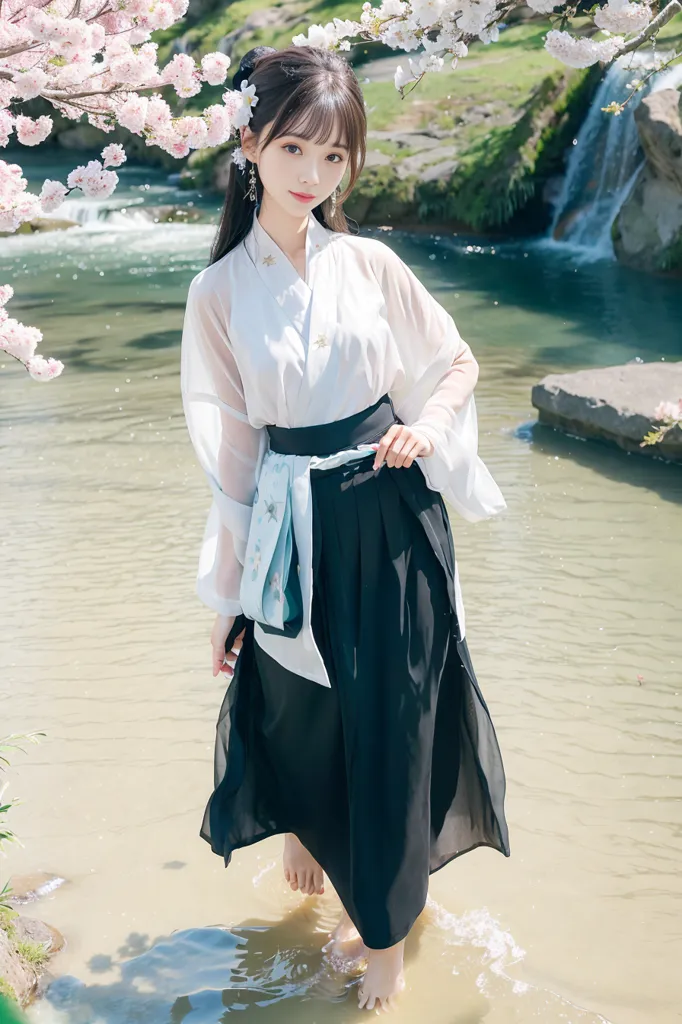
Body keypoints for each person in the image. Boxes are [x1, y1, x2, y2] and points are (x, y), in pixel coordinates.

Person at [180, 43, 511, 1013]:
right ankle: (313, 833)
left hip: (391, 511)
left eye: (335, 158)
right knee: (298, 706)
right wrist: (228, 595)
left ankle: (383, 939)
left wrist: (428, 427)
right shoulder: (217, 295)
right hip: (291, 523)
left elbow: (455, 363)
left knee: (395, 723)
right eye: (293, 150)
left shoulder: (369, 262)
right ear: (249, 145)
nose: (314, 177)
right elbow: (234, 458)